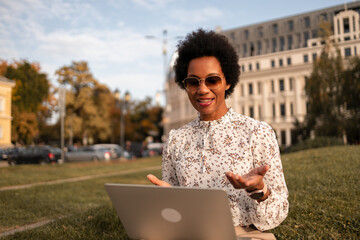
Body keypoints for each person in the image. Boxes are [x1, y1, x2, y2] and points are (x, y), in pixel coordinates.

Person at [147, 29, 288, 238]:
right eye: (193, 82)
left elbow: (276, 216)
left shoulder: (258, 132)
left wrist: (259, 191)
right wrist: (167, 200)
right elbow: (174, 210)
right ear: (185, 86)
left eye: (212, 80)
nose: (202, 90)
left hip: (243, 234)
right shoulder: (175, 140)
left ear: (227, 81)